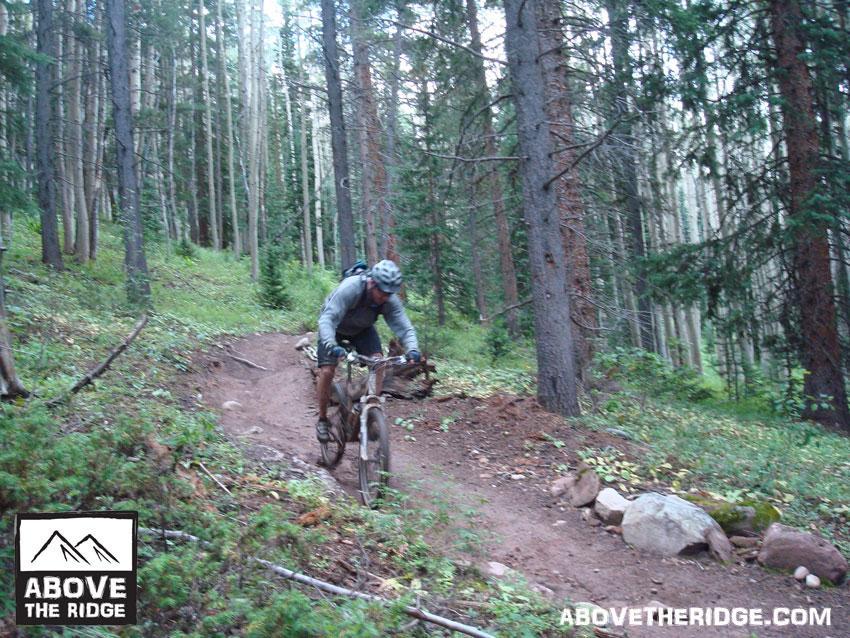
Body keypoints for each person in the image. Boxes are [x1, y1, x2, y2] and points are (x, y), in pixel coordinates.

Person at [315, 260, 421, 442]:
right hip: (334, 329)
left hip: (362, 330)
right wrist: (331, 345)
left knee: (379, 363)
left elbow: (405, 328)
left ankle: (370, 411)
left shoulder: (388, 299)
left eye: (389, 293)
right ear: (372, 282)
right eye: (382, 292)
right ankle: (323, 419)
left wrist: (412, 349)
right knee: (327, 371)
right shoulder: (351, 288)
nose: (385, 297)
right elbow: (328, 319)